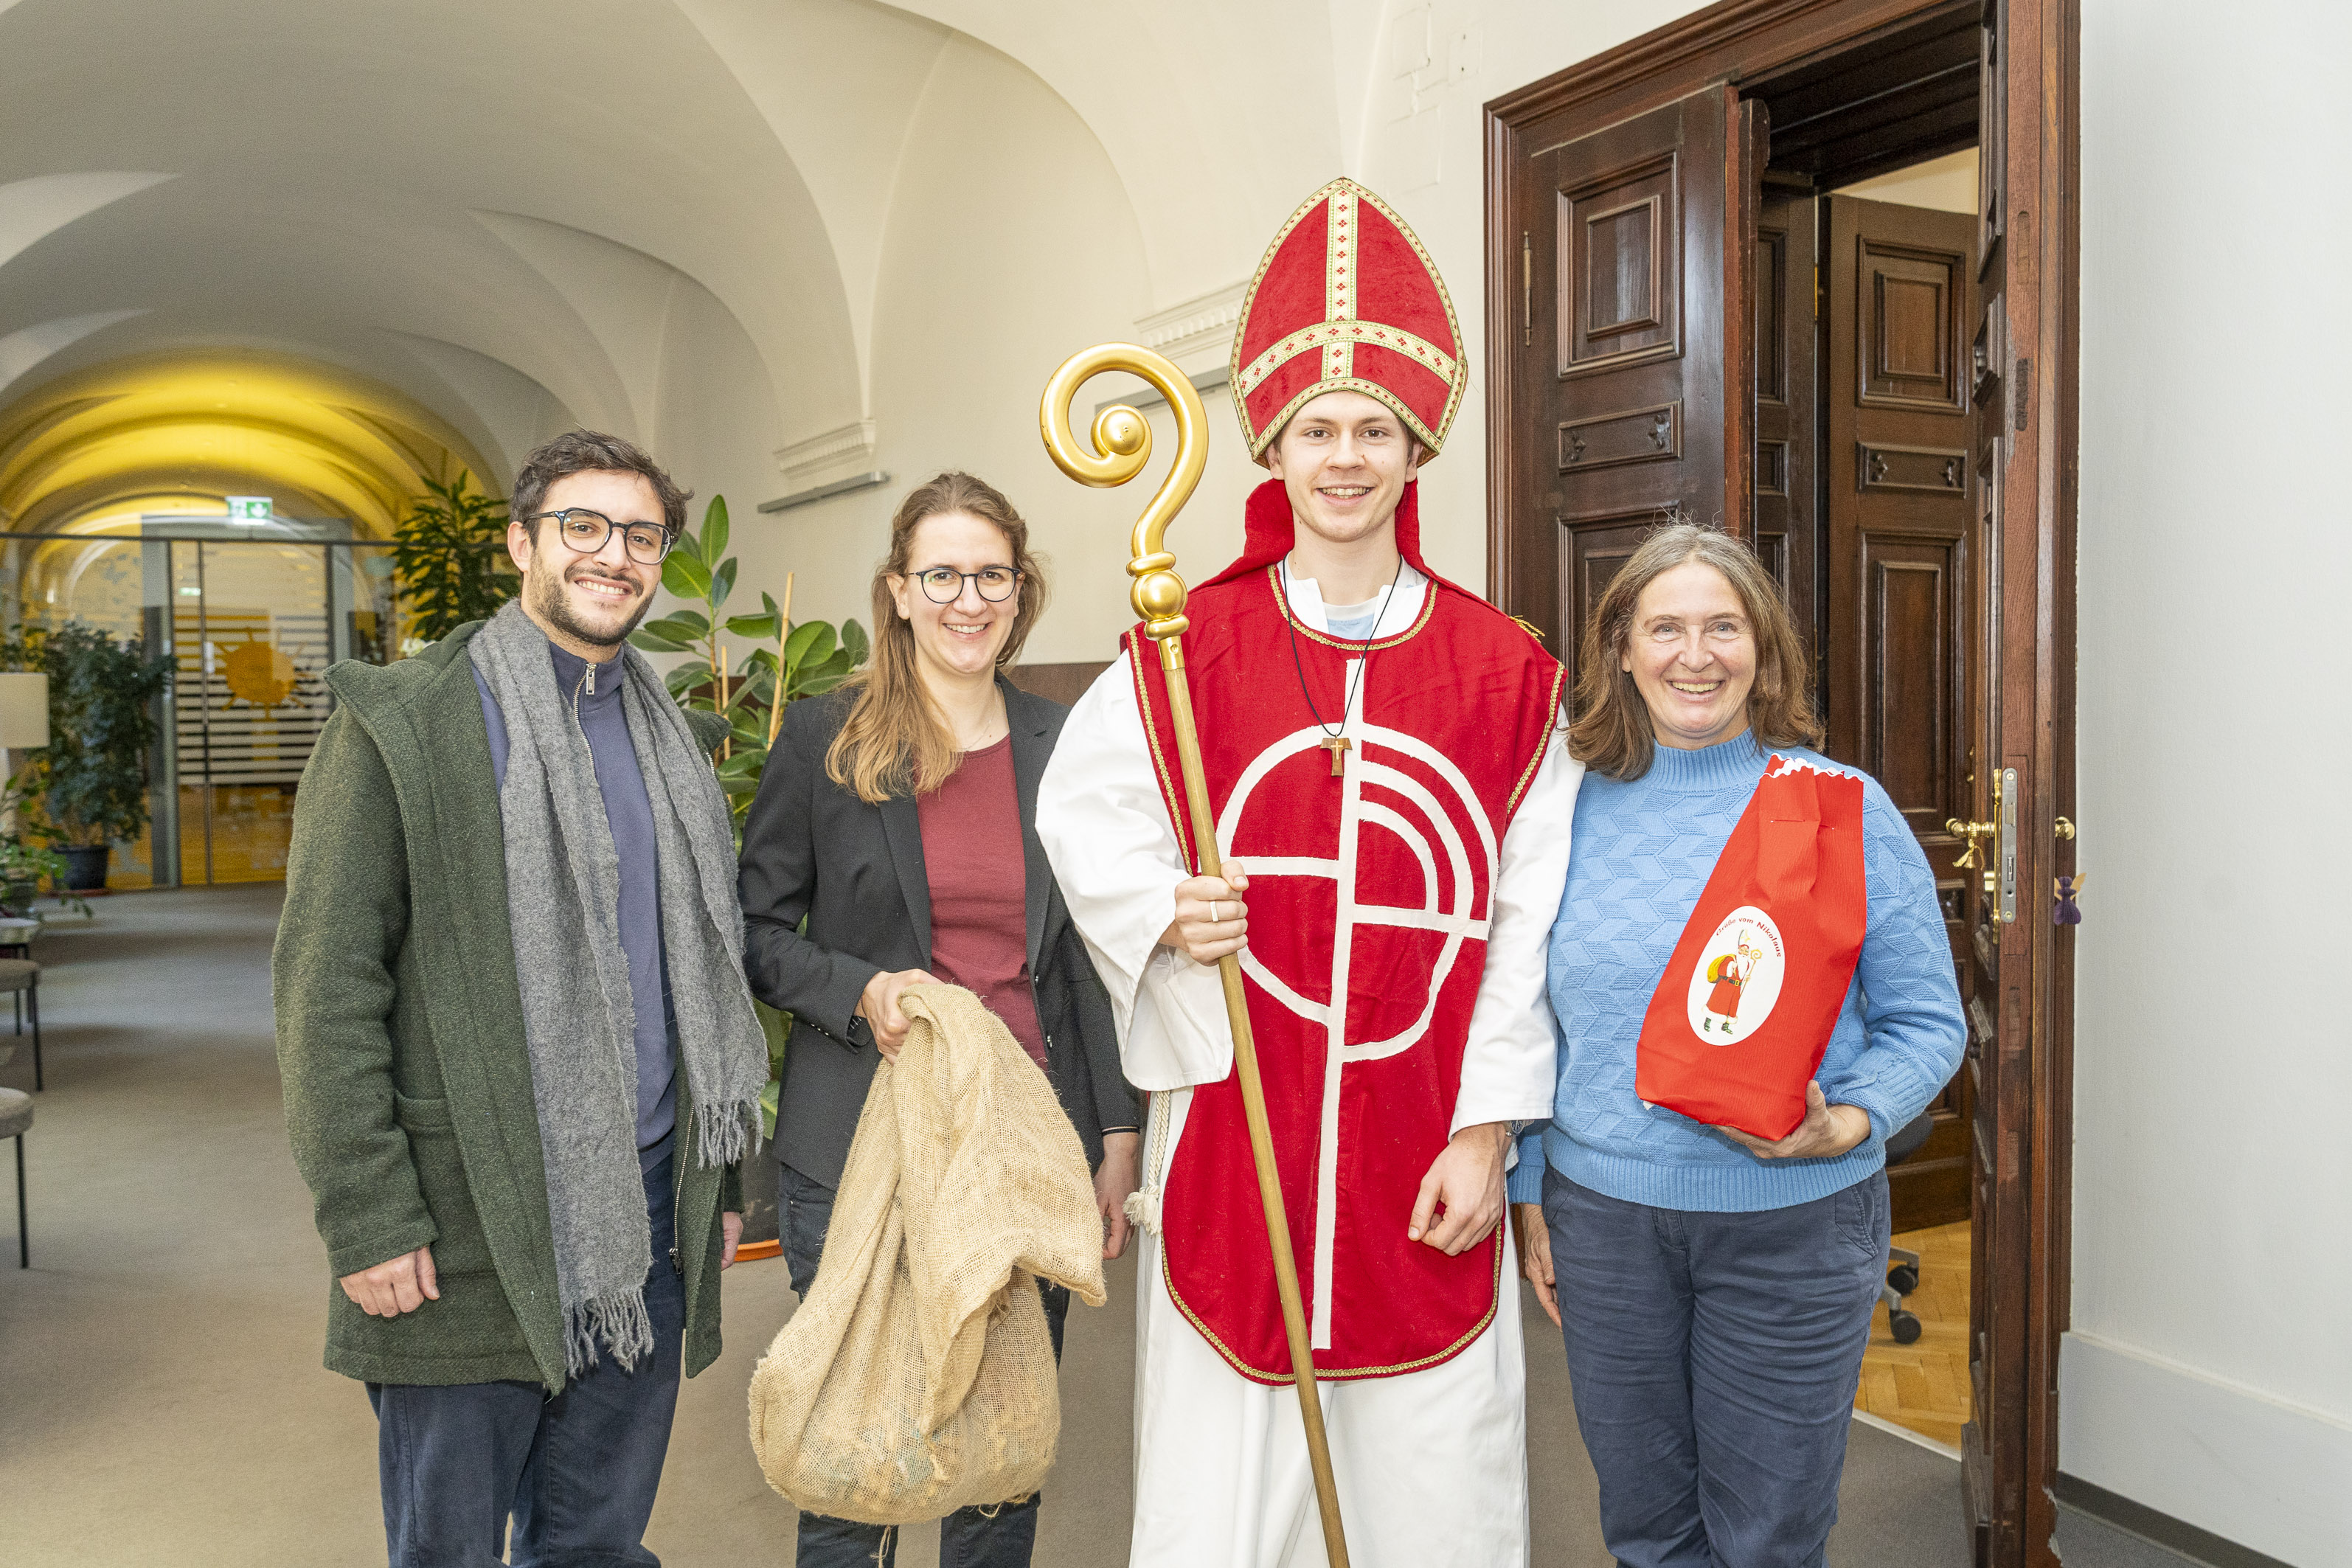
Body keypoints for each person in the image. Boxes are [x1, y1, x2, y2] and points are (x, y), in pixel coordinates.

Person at [1037, 177, 1578, 1568]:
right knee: (1236, 1486)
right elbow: (1086, 814)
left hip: (1422, 1127)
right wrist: (1165, 904)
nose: (1347, 457)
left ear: (1415, 450)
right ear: (1273, 448)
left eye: (1374, 431)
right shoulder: (1185, 645)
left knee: (1429, 1482)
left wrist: (1489, 1127)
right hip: (1247, 1121)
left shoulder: (1506, 672)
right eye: (1318, 431)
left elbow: (1524, 922)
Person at [274, 430, 770, 1566]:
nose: (613, 555)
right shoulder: (404, 724)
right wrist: (368, 1212)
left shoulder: (677, 744)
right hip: (464, 1217)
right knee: (447, 1547)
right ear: (520, 544)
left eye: (640, 535)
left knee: (594, 1541)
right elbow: (326, 987)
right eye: (580, 527)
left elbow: (708, 979)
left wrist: (719, 1179)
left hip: (641, 1213)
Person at [1509, 523, 1967, 1568]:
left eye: (1723, 626)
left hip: (1793, 1230)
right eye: (1664, 627)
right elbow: (1524, 1013)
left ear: (1762, 649)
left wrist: (1849, 1119)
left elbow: (1927, 1021)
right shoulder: (1555, 810)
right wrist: (1531, 1181)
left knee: (1765, 1537)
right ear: (1619, 646)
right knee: (1645, 1528)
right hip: (1607, 1226)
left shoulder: (1840, 809)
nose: (1694, 654)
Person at [737, 471, 1141, 1568]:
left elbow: (1093, 964)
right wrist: (854, 990)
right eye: (943, 574)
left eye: (992, 575)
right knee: (855, 1446)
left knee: (997, 1453)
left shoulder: (1067, 744)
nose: (970, 599)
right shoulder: (829, 737)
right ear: (898, 590)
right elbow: (757, 930)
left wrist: (1115, 1135)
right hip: (858, 1138)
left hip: (1019, 1140)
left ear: (1022, 589)